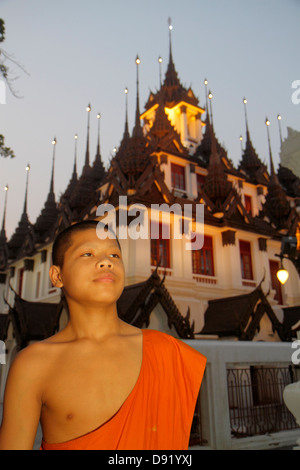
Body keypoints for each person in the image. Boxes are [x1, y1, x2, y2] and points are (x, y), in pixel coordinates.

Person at [0, 220, 206, 450]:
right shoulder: (33, 364)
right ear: (57, 276)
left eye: (115, 255)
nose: (106, 261)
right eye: (88, 253)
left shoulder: (166, 350)